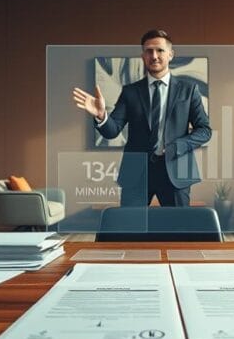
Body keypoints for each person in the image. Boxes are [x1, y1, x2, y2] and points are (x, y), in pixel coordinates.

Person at [73, 29, 211, 207]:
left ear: (170, 54)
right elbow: (112, 131)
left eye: (160, 50)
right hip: (136, 173)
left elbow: (204, 131)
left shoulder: (188, 90)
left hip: (176, 171)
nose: (154, 56)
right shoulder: (130, 92)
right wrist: (101, 116)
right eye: (148, 51)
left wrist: (176, 147)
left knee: (178, 230)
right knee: (130, 229)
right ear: (143, 55)